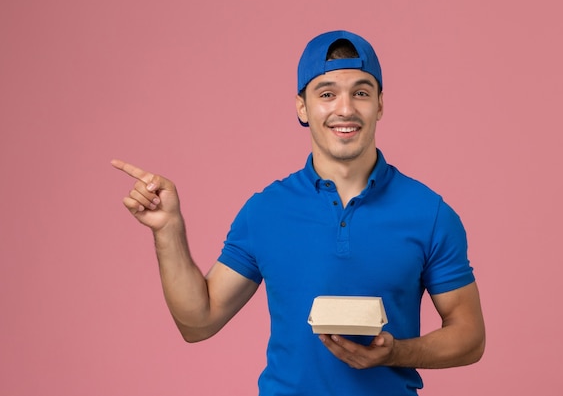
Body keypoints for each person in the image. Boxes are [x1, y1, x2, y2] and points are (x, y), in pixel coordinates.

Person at [112, 30, 485, 395]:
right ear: (302, 107)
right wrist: (168, 230)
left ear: (380, 104)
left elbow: (469, 336)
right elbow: (199, 322)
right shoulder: (266, 211)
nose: (345, 109)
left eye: (361, 93)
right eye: (327, 94)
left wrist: (398, 352)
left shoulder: (429, 212)